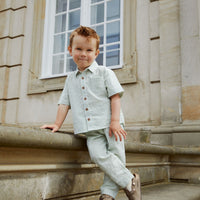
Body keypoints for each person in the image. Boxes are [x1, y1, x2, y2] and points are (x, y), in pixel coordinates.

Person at [41, 26, 141, 200]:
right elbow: (64, 103)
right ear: (70, 50)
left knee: (116, 158)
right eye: (79, 49)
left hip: (112, 124)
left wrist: (115, 121)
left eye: (89, 50)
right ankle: (130, 181)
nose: (83, 54)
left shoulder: (105, 73)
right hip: (89, 129)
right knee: (98, 155)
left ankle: (108, 194)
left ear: (96, 53)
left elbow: (115, 97)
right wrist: (57, 124)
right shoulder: (70, 79)